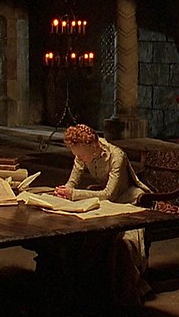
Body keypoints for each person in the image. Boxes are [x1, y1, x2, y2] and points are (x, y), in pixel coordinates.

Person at [44, 124, 151, 307]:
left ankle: (114, 288)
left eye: (81, 155)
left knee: (120, 240)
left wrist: (74, 194)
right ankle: (82, 284)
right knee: (81, 234)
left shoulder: (116, 156)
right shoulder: (82, 154)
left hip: (128, 199)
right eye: (76, 155)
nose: (79, 158)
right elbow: (72, 181)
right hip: (105, 201)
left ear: (93, 146)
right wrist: (64, 191)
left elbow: (109, 193)